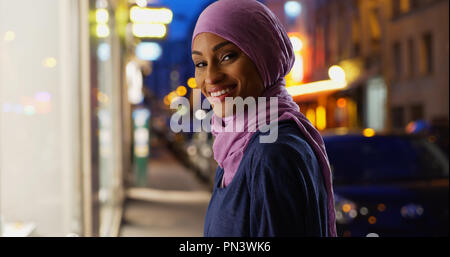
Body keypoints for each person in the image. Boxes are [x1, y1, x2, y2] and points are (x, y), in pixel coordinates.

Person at [191, 0, 337, 237]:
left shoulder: (271, 152)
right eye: (200, 63)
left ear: (264, 56)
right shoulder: (235, 148)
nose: (211, 77)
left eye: (227, 56)